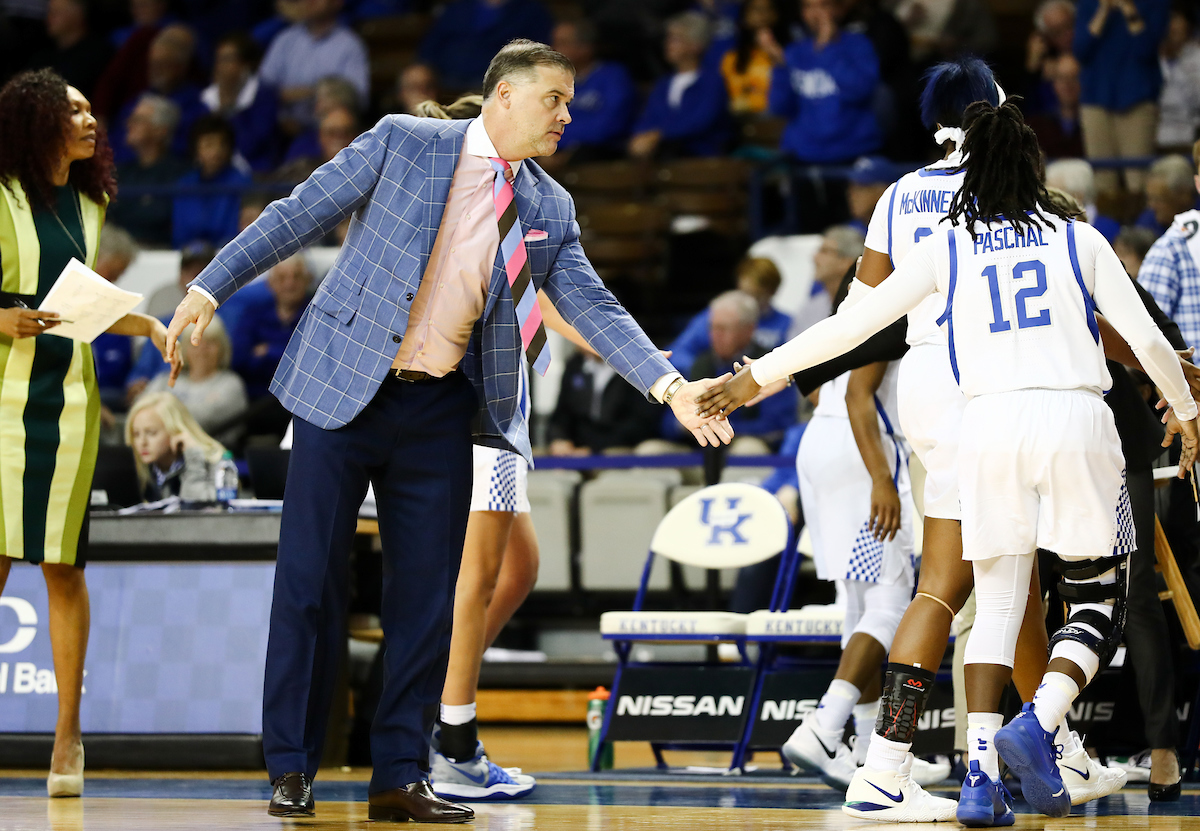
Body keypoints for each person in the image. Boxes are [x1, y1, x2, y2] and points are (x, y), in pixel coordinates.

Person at [163, 39, 733, 822]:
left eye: (569, 102)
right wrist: (209, 284)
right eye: (555, 99)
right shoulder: (405, 141)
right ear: (503, 95)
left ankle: (399, 773)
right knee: (308, 586)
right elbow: (300, 213)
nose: (568, 114)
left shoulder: (547, 205)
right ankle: (290, 767)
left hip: (441, 407)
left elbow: (594, 306)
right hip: (341, 388)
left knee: (426, 601)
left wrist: (669, 385)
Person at [700, 99, 1198, 824]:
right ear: (1032, 167)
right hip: (1072, 417)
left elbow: (850, 326)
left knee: (992, 601)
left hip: (982, 427)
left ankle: (978, 773)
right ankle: (1043, 725)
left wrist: (754, 379)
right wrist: (1184, 406)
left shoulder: (945, 245)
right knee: (1096, 597)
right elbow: (1143, 342)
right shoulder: (1077, 237)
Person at [0, 69, 179, 799]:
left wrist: (149, 322)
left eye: (87, 107)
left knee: (63, 569)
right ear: (35, 119)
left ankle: (67, 737)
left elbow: (78, 307)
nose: (89, 118)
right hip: (1, 400)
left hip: (69, 403)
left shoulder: (91, 202)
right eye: (70, 109)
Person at [673, 290, 797, 447]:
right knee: (652, 450)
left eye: (724, 328)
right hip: (698, 451)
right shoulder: (701, 363)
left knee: (747, 447)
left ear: (749, 330)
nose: (716, 335)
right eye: (713, 328)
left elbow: (776, 426)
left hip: (750, 452)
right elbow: (670, 425)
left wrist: (720, 427)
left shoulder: (768, 363)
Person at [1074, 0, 1170, 194]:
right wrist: (1103, 11)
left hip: (1137, 98)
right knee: (1102, 181)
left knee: (1138, 179)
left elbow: (1146, 48)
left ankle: (1142, 224)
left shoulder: (1156, 4)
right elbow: (1080, 50)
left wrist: (1129, 10)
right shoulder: (1089, 3)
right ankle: (1104, 224)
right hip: (1096, 97)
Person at [769, 0, 880, 165]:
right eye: (808, 6)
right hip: (803, 154)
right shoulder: (794, 52)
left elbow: (860, 91)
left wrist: (828, 49)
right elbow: (779, 107)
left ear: (838, 10)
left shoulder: (858, 45)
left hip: (852, 150)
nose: (815, 14)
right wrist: (780, 68)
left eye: (823, 5)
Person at [628, 12, 732, 160]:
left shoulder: (712, 82)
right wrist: (640, 136)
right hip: (662, 155)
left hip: (701, 156)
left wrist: (658, 135)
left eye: (675, 39)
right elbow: (648, 118)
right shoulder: (663, 85)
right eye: (668, 38)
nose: (667, 44)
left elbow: (700, 121)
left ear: (696, 45)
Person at [258, 0, 369, 137]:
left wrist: (293, 94)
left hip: (323, 132)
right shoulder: (285, 40)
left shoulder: (350, 45)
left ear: (337, 2)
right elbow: (262, 89)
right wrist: (317, 92)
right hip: (277, 131)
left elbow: (357, 98)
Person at [668, 256, 792, 374]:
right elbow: (676, 354)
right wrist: (704, 368)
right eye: (745, 293)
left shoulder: (786, 324)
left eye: (757, 296)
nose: (750, 301)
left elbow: (791, 366)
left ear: (772, 292)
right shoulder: (719, 316)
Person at [144, 316, 248, 448]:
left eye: (210, 343)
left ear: (222, 348)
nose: (202, 349)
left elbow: (204, 420)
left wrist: (161, 413)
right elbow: (141, 411)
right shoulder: (164, 380)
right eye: (196, 342)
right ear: (184, 348)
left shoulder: (231, 384)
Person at [110, 25, 206, 165]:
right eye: (153, 64)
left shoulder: (196, 106)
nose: (156, 71)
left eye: (163, 64)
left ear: (181, 67)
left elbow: (187, 151)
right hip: (129, 174)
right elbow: (117, 143)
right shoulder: (137, 102)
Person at [548, 20, 637, 164]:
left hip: (600, 152)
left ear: (585, 47)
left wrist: (565, 143)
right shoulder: (553, 83)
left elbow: (610, 125)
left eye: (562, 43)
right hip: (558, 149)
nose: (554, 49)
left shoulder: (613, 76)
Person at [417, 0, 553, 92]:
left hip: (496, 84)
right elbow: (432, 44)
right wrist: (423, 67)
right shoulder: (459, 7)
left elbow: (538, 53)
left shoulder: (531, 11)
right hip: (444, 78)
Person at [201, 31, 281, 174]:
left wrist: (229, 107)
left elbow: (252, 144)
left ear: (246, 65)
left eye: (227, 59)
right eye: (219, 60)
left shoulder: (263, 96)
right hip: (213, 174)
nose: (221, 66)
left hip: (255, 175)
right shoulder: (207, 98)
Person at [125, 391, 225, 501]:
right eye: (136, 434)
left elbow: (198, 507)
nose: (142, 442)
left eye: (151, 432)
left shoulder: (216, 462)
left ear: (176, 430)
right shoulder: (139, 469)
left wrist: (193, 457)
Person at [172, 115, 252, 250]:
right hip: (187, 255)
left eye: (223, 144)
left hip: (227, 255)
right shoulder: (184, 185)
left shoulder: (242, 182)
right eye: (209, 144)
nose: (217, 151)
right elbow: (180, 234)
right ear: (196, 149)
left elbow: (237, 234)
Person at [24, 0, 113, 99]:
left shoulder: (99, 55)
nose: (49, 18)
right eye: (49, 12)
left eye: (56, 13)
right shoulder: (42, 55)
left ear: (77, 14)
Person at [719, 0, 790, 116]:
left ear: (776, 14)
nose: (762, 14)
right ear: (744, 17)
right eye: (755, 9)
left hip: (778, 119)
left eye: (768, 9)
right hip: (739, 122)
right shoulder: (731, 58)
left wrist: (779, 60)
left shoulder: (789, 53)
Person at [1157, 4, 1200, 156]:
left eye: (1176, 19)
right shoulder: (1148, 57)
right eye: (1167, 20)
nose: (1171, 26)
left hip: (1188, 140)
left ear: (1188, 24)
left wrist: (1179, 66)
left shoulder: (1197, 56)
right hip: (1152, 139)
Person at [1044, 157, 1121, 241]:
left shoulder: (1108, 229)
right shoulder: (1043, 227)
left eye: (1055, 195)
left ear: (1077, 196)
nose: (1047, 201)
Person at [1027, 54, 1084, 159]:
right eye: (1062, 78)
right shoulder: (1038, 126)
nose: (1067, 84)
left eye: (1074, 77)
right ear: (1054, 84)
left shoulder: (1092, 126)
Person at [1136, 154, 1198, 236]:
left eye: (1159, 200)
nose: (1151, 206)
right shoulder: (1147, 221)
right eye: (1149, 198)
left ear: (1184, 196)